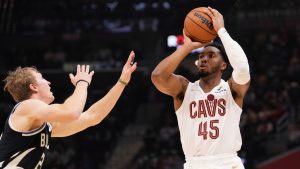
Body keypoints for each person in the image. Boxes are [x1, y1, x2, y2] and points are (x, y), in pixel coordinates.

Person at [0, 51, 137, 169]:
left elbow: (93, 117)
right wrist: (82, 83)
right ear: (34, 87)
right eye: (42, 78)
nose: (48, 82)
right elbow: (71, 113)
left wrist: (122, 82)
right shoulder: (26, 107)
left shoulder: (44, 124)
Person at [151, 7, 250, 169]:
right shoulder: (185, 89)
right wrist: (187, 47)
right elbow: (157, 76)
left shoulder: (232, 89)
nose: (204, 59)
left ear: (224, 65)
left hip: (227, 163)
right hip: (194, 164)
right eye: (201, 56)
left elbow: (243, 69)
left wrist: (221, 31)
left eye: (211, 56)